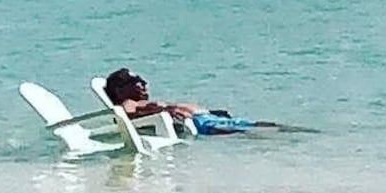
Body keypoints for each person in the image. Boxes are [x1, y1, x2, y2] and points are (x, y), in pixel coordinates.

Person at [103, 67, 277, 135]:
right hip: (201, 123)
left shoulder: (139, 102)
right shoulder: (129, 103)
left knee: (260, 126)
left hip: (209, 118)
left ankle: (294, 133)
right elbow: (125, 115)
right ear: (120, 90)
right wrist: (161, 111)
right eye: (136, 82)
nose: (143, 84)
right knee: (252, 131)